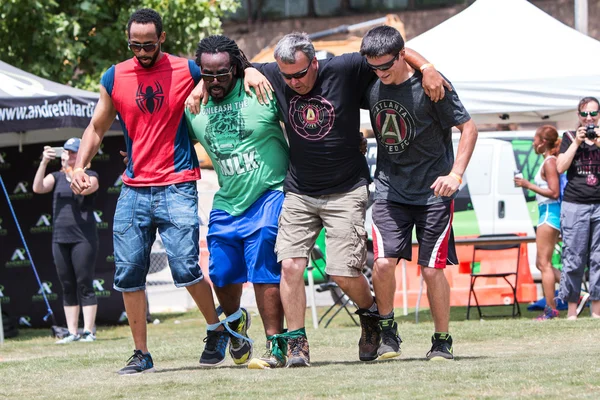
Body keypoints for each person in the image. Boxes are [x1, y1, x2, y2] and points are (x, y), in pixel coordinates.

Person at [243, 32, 449, 366]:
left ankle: (369, 315)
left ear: (314, 63)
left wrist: (426, 67)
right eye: (287, 76)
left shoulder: (344, 68)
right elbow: (221, 64)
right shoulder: (274, 73)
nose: (293, 82)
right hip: (299, 190)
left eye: (300, 74)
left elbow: (390, 51)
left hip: (346, 189)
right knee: (291, 265)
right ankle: (297, 344)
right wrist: (248, 69)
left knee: (342, 271)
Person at [69, 8, 246, 374]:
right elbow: (96, 127)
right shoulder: (114, 76)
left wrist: (252, 71)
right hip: (134, 188)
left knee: (185, 267)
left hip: (177, 182)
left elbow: (227, 72)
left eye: (149, 44)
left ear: (162, 39)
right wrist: (79, 166)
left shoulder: (187, 68)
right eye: (136, 45)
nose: (143, 51)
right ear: (128, 41)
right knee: (128, 273)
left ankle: (216, 328)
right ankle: (141, 354)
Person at [360, 25, 477, 361]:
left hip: (433, 193)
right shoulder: (371, 80)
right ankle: (388, 331)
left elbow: (469, 129)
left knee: (430, 269)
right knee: (382, 264)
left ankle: (442, 341)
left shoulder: (432, 87)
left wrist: (455, 174)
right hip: (389, 189)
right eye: (374, 68)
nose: (380, 73)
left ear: (402, 55)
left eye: (387, 66)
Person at [185, 35, 287, 369]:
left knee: (263, 265)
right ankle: (237, 326)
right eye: (207, 75)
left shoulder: (260, 89)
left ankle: (276, 343)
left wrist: (253, 70)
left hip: (269, 193)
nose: (215, 81)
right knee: (222, 274)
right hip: (227, 201)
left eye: (223, 74)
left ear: (236, 68)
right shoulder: (194, 106)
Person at [32, 138, 99, 344]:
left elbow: (83, 188)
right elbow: (38, 188)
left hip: (83, 238)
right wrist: (44, 162)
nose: (68, 156)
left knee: (84, 283)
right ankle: (72, 332)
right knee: (67, 285)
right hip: (60, 238)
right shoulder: (56, 176)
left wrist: (73, 170)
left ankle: (88, 331)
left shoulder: (91, 176)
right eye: (67, 152)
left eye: (73, 153)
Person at [556, 96, 600, 320]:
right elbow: (560, 167)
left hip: (598, 206)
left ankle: (596, 311)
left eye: (593, 113)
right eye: (585, 114)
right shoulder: (569, 136)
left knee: (598, 259)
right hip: (575, 205)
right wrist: (577, 143)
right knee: (573, 258)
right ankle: (571, 311)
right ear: (578, 115)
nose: (589, 118)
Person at [514, 125, 562, 320]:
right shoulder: (547, 161)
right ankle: (577, 291)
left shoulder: (549, 162)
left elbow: (554, 192)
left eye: (535, 139)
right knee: (542, 263)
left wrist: (528, 185)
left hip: (549, 214)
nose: (533, 143)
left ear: (543, 142)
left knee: (544, 264)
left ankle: (551, 310)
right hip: (546, 213)